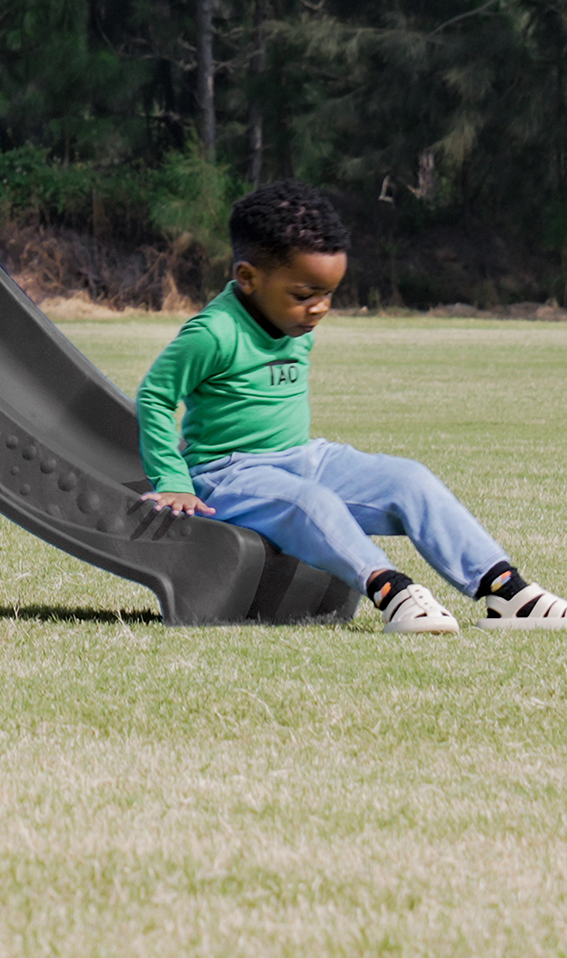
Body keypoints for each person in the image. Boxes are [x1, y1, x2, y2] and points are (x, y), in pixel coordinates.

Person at [136, 178, 567, 634]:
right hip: (227, 475)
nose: (319, 308)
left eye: (328, 294)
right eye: (305, 295)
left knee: (410, 480)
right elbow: (155, 397)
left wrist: (300, 303)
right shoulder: (213, 333)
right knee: (311, 502)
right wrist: (173, 481)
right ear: (248, 278)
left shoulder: (293, 320)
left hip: (300, 458)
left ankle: (506, 591)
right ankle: (393, 592)